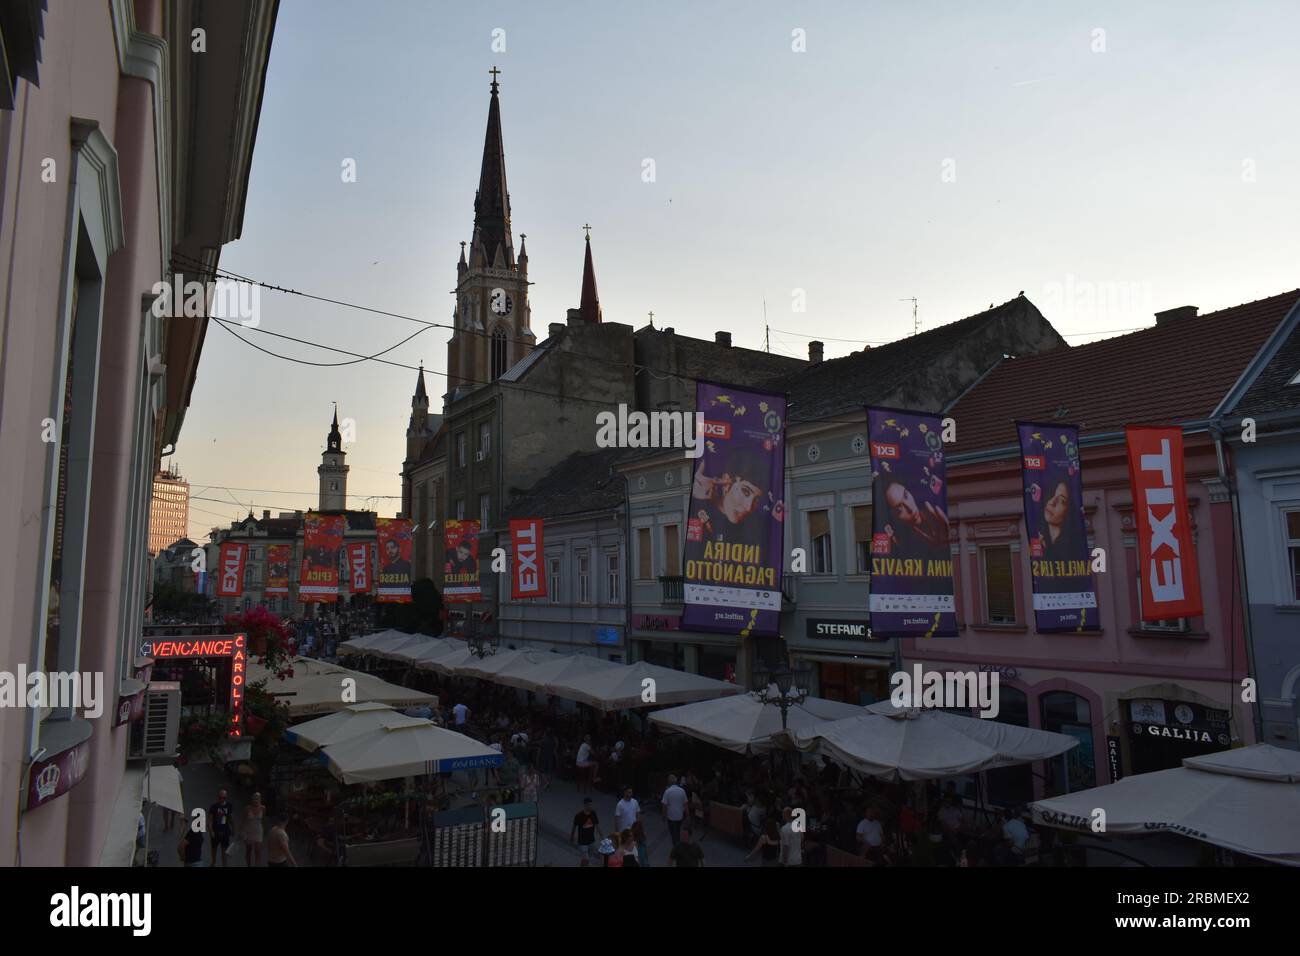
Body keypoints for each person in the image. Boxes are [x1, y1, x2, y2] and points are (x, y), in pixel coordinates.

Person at [877, 475, 950, 562]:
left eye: (906, 495)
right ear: (891, 518)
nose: (910, 508)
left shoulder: (938, 517)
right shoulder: (902, 545)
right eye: (899, 509)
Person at [570, 797, 601, 867]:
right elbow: (574, 827)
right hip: (582, 842)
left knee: (587, 858)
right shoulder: (578, 816)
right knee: (586, 859)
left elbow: (596, 824)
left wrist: (601, 835)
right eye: (588, 805)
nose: (590, 806)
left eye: (591, 805)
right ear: (585, 805)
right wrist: (572, 837)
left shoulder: (593, 813)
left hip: (591, 841)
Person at [208, 790, 234, 867]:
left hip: (225, 831)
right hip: (215, 831)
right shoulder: (214, 807)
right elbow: (209, 820)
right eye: (220, 797)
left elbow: (230, 818)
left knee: (224, 851)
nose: (222, 799)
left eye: (224, 798)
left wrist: (233, 829)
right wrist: (211, 831)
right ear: (218, 797)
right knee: (214, 849)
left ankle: (224, 865)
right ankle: (213, 862)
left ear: (226, 798)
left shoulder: (229, 806)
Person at [661, 774, 688, 847]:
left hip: (671, 817)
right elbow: (685, 804)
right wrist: (688, 816)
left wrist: (663, 816)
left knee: (673, 833)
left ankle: (677, 847)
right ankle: (677, 845)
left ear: (669, 782)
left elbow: (664, 806)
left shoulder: (667, 791)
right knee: (677, 831)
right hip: (680, 816)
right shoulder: (682, 791)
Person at [242, 792, 266, 867]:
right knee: (248, 851)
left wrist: (265, 830)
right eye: (254, 798)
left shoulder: (263, 808)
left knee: (258, 850)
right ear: (252, 799)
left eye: (257, 798)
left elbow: (263, 819)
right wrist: (241, 831)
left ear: (260, 799)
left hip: (258, 831)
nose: (256, 800)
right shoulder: (248, 808)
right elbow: (243, 820)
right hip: (249, 831)